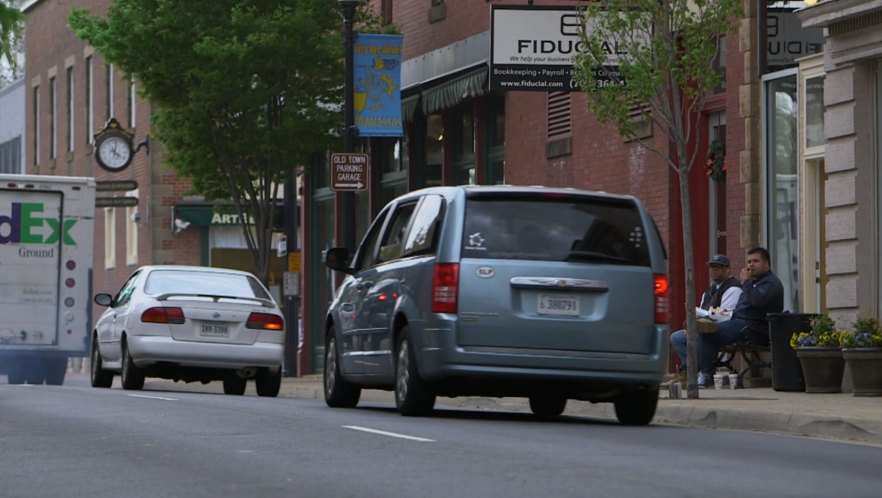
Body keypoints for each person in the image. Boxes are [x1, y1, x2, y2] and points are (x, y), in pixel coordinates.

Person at [697, 247, 784, 387]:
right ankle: (698, 372)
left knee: (709, 331)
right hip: (741, 323)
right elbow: (741, 308)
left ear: (767, 264)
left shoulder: (771, 283)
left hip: (755, 328)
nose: (750, 265)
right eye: (749, 261)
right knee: (703, 329)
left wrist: (746, 282)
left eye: (755, 261)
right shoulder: (753, 283)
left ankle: (706, 375)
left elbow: (757, 301)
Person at [669, 254, 743, 384]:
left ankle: (696, 373)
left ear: (728, 269)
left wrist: (701, 321)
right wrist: (692, 327)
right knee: (676, 337)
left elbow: (725, 317)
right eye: (712, 267)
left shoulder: (733, 289)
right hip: (704, 329)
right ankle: (690, 369)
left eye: (719, 267)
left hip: (722, 331)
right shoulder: (709, 291)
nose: (714, 270)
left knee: (701, 337)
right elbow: (701, 313)